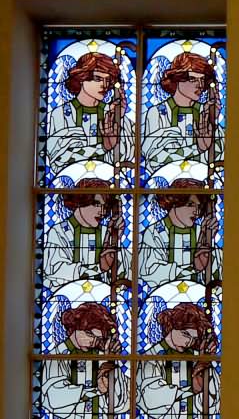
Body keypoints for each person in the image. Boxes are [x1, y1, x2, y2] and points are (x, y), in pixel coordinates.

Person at [45, 49, 130, 177]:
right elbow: (57, 159)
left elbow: (129, 158)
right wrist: (103, 147)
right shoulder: (59, 114)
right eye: (98, 79)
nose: (104, 85)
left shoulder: (112, 112)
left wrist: (120, 119)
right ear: (81, 78)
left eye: (108, 80)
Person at [42, 179, 128, 291]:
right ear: (80, 202)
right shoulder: (59, 232)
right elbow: (55, 271)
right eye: (96, 204)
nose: (102, 211)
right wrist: (99, 269)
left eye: (105, 206)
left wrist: (114, 240)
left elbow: (128, 272)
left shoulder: (106, 232)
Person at [143, 49, 221, 170]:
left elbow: (222, 158)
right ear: (177, 79)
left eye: (202, 80)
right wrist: (198, 148)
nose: (200, 85)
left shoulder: (206, 111)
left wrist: (213, 122)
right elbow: (153, 159)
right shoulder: (156, 113)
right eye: (193, 79)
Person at [142, 179, 221, 289]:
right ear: (174, 203)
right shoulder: (154, 232)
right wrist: (193, 269)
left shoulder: (201, 231)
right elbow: (150, 271)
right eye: (190, 204)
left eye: (198, 206)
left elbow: (218, 274)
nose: (196, 211)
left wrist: (208, 241)